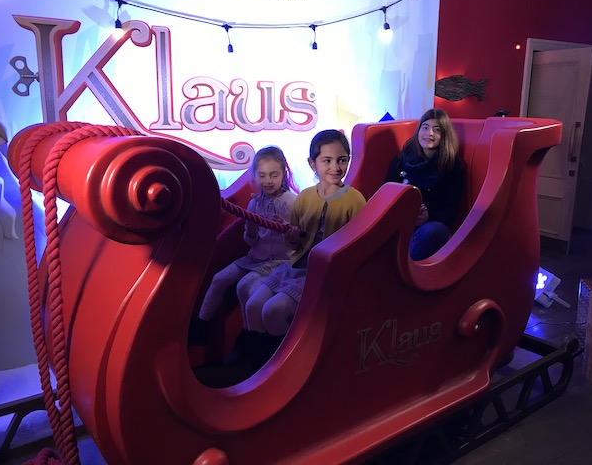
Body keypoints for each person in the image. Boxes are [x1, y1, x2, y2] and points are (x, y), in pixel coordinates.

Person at [228, 129, 366, 369]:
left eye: (342, 160)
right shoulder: (305, 197)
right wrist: (291, 236)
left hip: (323, 273)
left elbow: (358, 244)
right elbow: (295, 242)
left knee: (273, 311)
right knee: (253, 305)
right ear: (313, 164)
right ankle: (254, 363)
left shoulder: (355, 200)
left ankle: (280, 368)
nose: (335, 167)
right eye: (327, 161)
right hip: (295, 267)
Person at [188, 146, 297, 345]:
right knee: (219, 279)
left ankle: (248, 338)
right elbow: (250, 241)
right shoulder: (254, 204)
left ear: (284, 173)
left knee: (245, 286)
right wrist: (252, 230)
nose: (268, 181)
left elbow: (300, 239)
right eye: (262, 175)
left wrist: (285, 228)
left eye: (274, 175)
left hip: (279, 262)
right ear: (255, 176)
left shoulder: (293, 203)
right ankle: (200, 328)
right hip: (255, 257)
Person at [385, 108, 465, 261]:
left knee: (429, 232)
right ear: (419, 130)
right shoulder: (401, 160)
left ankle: (405, 267)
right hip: (400, 221)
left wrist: (427, 216)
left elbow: (451, 212)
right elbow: (386, 196)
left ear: (444, 135)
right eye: (425, 127)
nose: (430, 134)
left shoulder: (453, 167)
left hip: (432, 225)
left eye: (437, 130)